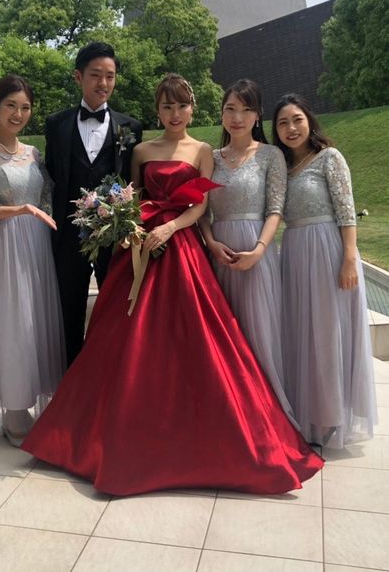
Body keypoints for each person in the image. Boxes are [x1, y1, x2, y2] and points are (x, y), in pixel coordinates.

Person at [22, 74, 324, 496]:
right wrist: (132, 228)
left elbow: (200, 206)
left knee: (197, 335)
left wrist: (170, 228)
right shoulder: (141, 150)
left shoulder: (202, 151)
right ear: (158, 110)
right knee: (125, 335)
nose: (175, 114)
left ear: (192, 109)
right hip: (141, 247)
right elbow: (133, 197)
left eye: (181, 106)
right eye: (167, 107)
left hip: (181, 245)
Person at [273, 93, 376, 448]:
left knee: (328, 333)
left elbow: (346, 210)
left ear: (309, 120)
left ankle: (332, 416)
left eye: (297, 119)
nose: (291, 128)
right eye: (283, 123)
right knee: (303, 332)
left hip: (328, 251)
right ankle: (309, 413)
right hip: (294, 252)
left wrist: (349, 257)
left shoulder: (329, 158)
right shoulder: (281, 168)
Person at [0, 75, 66, 446]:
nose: (18, 114)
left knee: (37, 318)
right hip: (5, 242)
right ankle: (13, 408)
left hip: (38, 242)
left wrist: (43, 217)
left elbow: (46, 196)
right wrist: (23, 210)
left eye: (25, 107)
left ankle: (39, 397)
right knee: (12, 321)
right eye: (11, 105)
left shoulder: (33, 153)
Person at [199, 79, 294, 421]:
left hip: (257, 254)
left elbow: (275, 210)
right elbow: (201, 211)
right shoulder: (209, 158)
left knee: (260, 335)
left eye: (246, 109)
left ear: (257, 115)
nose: (237, 117)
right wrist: (210, 243)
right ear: (221, 113)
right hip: (218, 256)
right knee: (224, 338)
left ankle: (267, 418)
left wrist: (258, 251)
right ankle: (230, 417)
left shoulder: (270, 155)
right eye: (230, 109)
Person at [46, 42, 143, 365]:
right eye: (95, 75)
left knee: (116, 309)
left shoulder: (129, 127)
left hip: (113, 238)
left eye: (110, 76)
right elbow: (53, 175)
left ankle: (113, 375)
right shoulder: (56, 124)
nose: (103, 83)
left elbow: (131, 179)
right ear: (78, 76)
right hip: (67, 235)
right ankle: (71, 380)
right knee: (68, 310)